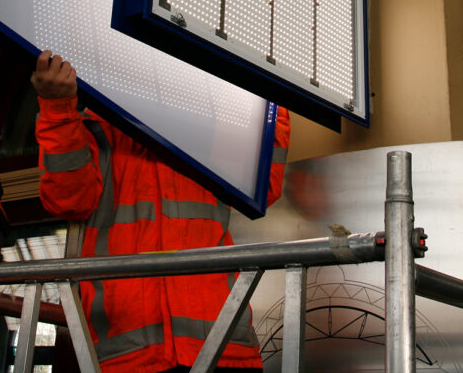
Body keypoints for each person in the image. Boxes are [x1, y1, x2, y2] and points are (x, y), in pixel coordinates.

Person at [31, 50, 290, 373]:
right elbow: (67, 199)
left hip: (222, 344)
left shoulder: (205, 124)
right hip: (133, 351)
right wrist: (56, 108)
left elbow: (263, 188)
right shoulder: (97, 125)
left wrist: (271, 95)